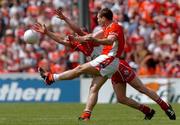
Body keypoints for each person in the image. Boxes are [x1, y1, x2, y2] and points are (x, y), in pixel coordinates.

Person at [35, 8, 176, 121]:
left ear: (104, 18)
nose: (97, 21)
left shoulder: (107, 30)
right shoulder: (84, 42)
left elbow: (88, 35)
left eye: (99, 18)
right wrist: (47, 33)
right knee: (113, 95)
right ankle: (88, 114)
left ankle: (165, 106)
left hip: (115, 63)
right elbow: (62, 40)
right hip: (105, 65)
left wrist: (68, 22)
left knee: (141, 89)